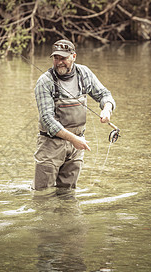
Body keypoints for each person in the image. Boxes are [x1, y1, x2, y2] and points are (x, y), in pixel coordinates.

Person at [33, 39, 116, 190]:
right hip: (50, 145)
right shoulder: (45, 81)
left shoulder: (84, 73)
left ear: (74, 56)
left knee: (68, 194)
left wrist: (107, 108)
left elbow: (105, 94)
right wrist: (74, 139)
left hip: (77, 145)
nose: (59, 62)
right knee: (42, 195)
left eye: (63, 58)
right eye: (56, 58)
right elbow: (47, 120)